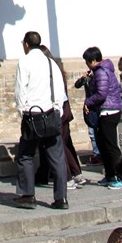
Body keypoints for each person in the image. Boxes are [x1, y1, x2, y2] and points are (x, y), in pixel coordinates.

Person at [12, 30, 68, 210]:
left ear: (26, 44)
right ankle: (61, 198)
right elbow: (59, 91)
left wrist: (23, 110)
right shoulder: (51, 63)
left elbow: (21, 89)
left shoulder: (25, 61)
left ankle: (28, 195)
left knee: (26, 155)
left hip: (32, 115)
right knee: (57, 157)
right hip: (51, 113)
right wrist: (57, 109)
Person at [36, 45, 85, 188]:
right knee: (63, 144)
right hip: (63, 110)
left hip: (56, 111)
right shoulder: (56, 69)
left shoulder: (49, 71)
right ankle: (76, 173)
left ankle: (68, 177)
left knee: (58, 146)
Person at [82, 45, 122, 188]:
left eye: (88, 61)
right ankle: (110, 175)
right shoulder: (100, 71)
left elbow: (102, 93)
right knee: (103, 146)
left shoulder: (101, 72)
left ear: (94, 60)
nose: (87, 64)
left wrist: (88, 102)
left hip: (109, 111)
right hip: (106, 110)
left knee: (111, 147)